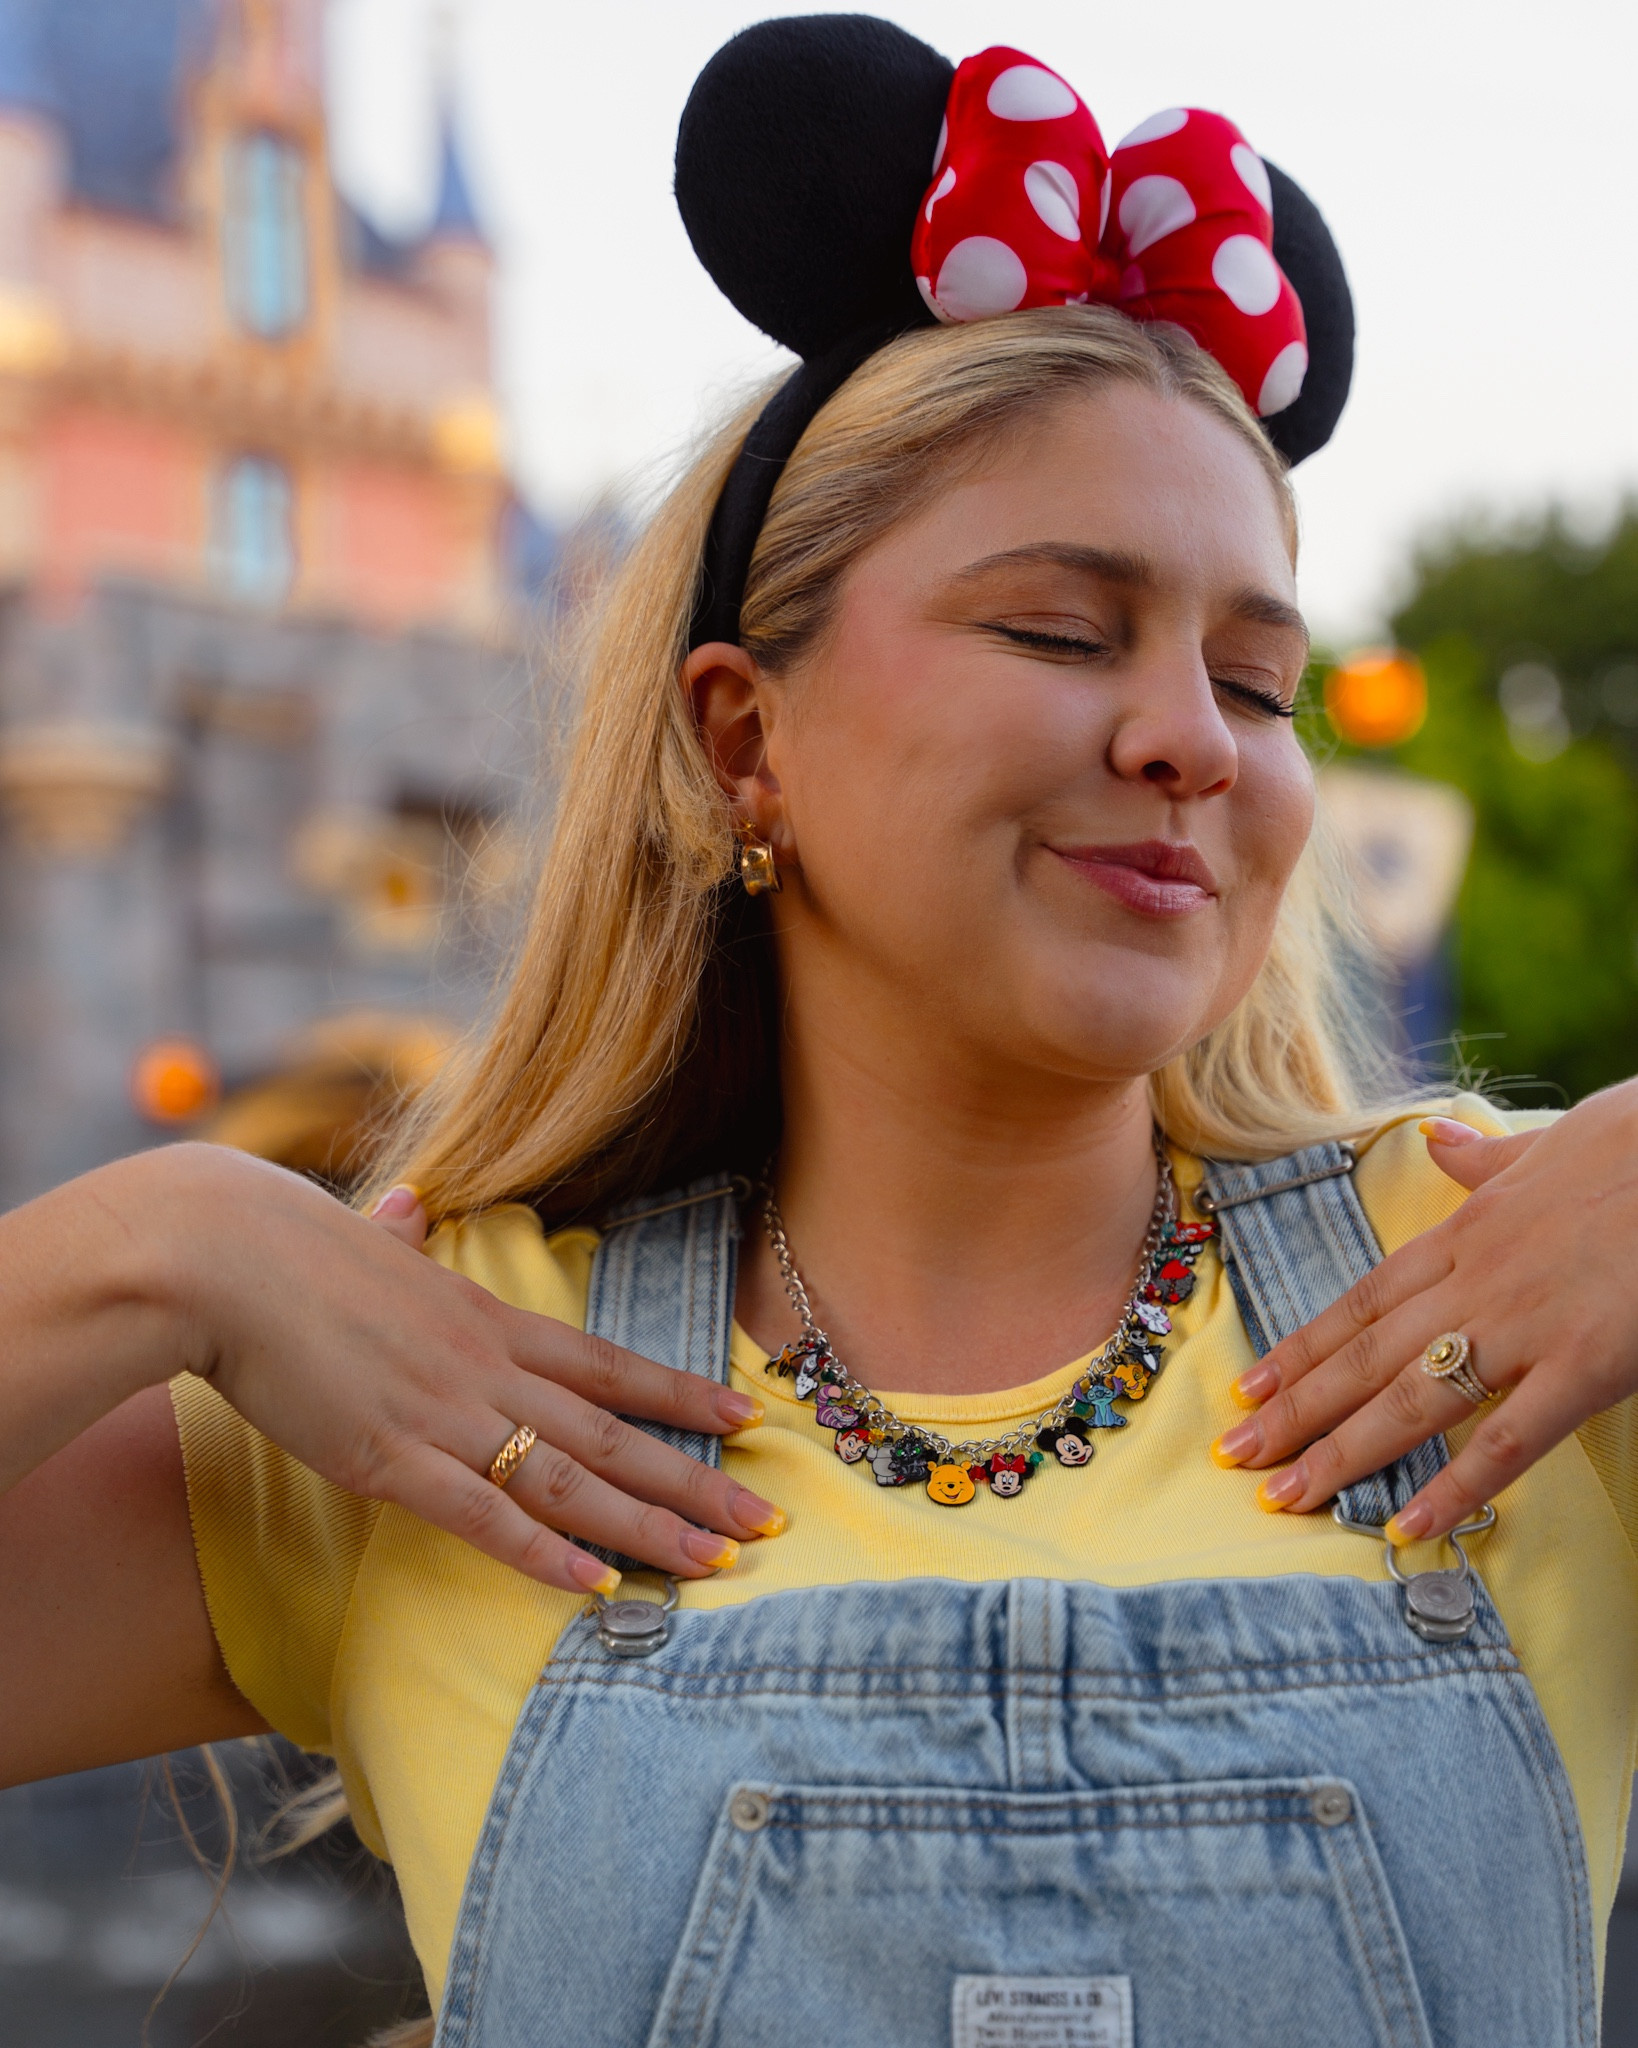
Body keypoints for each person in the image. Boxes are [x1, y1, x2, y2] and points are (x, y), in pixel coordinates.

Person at [4, 19, 1637, 2044]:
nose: (1188, 742)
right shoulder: (448, 1392)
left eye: (1257, 677)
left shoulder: (1517, 1311)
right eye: (1061, 628)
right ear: (740, 741)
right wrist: (162, 1238)